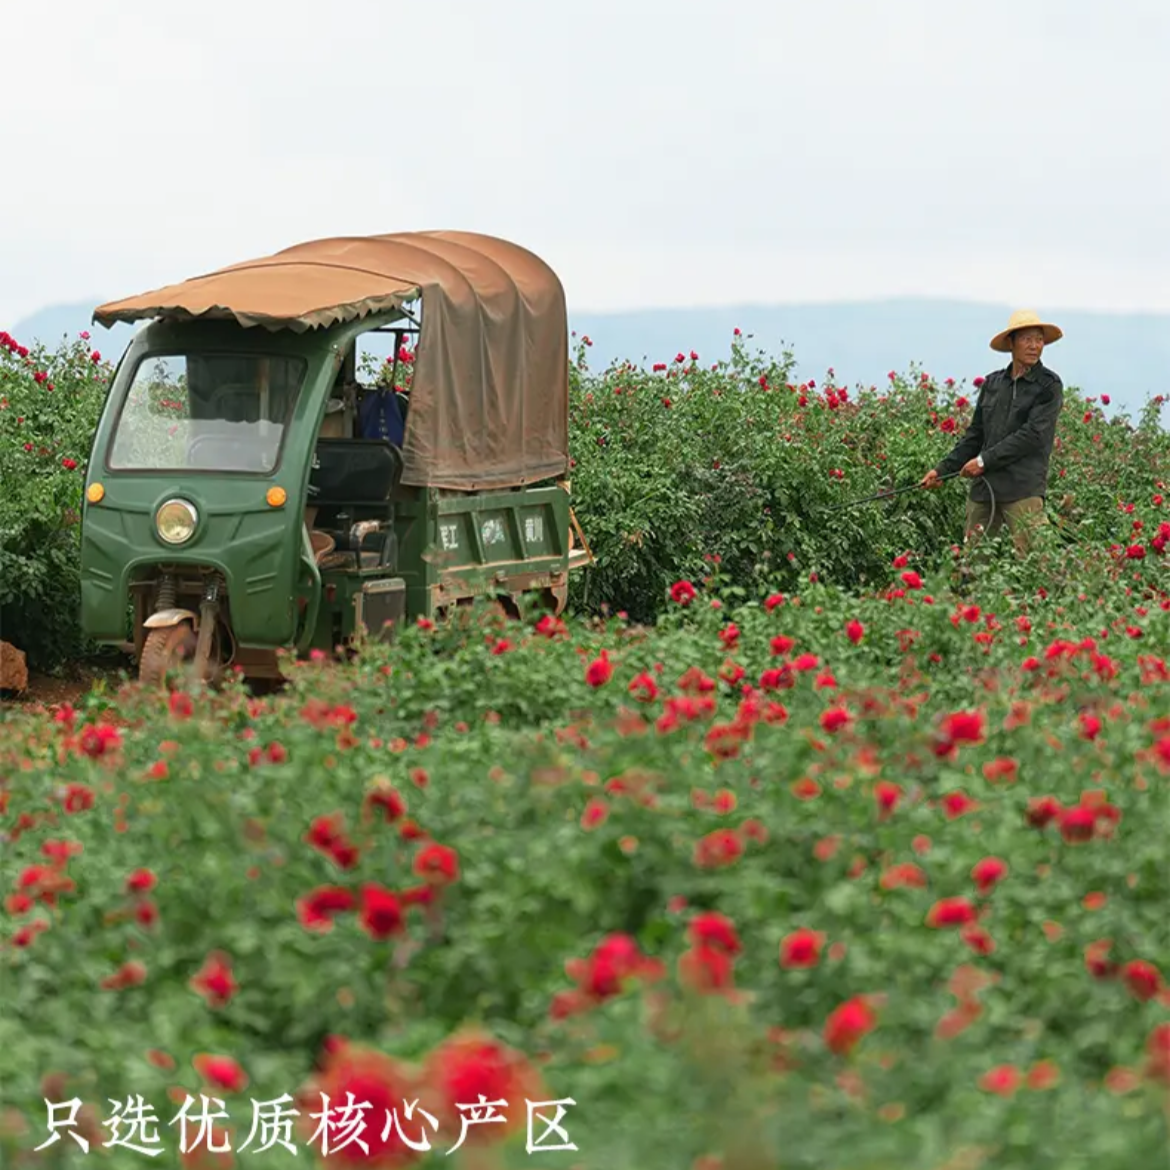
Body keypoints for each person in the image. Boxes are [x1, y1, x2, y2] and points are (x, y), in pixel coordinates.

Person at [921, 309, 1064, 556]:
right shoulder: (993, 383)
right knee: (972, 561)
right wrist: (942, 470)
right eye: (1027, 339)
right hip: (984, 488)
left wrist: (983, 461)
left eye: (1039, 339)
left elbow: (1033, 435)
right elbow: (975, 435)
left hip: (1023, 487)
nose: (1034, 346)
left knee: (1036, 562)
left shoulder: (1049, 385)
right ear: (1011, 343)